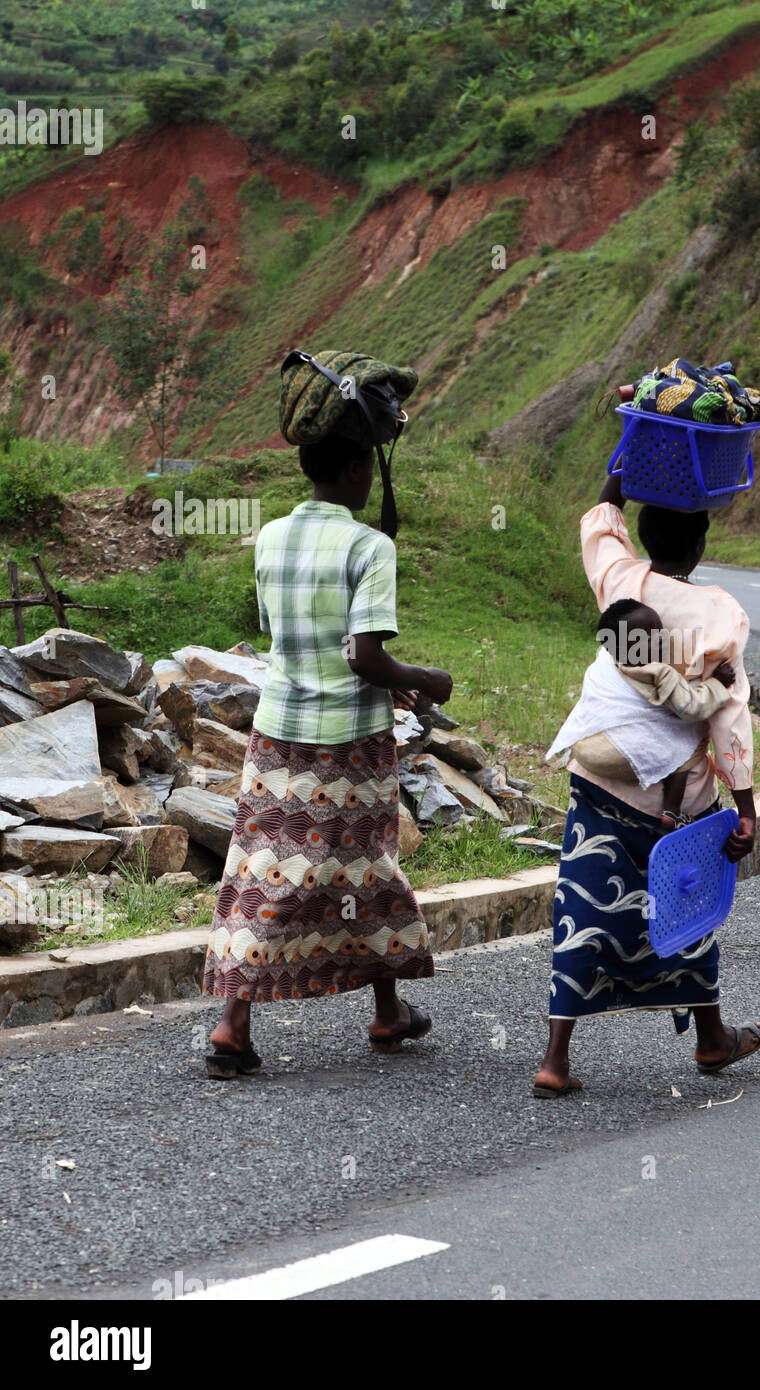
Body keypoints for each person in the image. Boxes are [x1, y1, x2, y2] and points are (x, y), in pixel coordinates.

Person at [201, 427, 452, 1078]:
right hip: (348, 741)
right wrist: (424, 680)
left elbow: (279, 634)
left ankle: (369, 1012)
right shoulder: (368, 546)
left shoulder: (271, 535)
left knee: (275, 867)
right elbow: (366, 659)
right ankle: (256, 1021)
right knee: (348, 869)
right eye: (367, 463)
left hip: (277, 729)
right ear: (352, 469)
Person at [532, 468, 760, 1098]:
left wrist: (626, 464)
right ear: (701, 542)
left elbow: (601, 520)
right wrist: (744, 808)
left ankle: (555, 1059)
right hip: (678, 796)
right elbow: (727, 716)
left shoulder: (618, 578)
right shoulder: (720, 614)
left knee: (582, 907)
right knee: (686, 907)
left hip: (598, 782)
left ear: (643, 532)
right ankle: (711, 1039)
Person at [547, 597, 737, 828]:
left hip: (585, 750)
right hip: (619, 754)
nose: (659, 638)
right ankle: (672, 811)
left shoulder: (608, 664)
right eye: (646, 637)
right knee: (690, 744)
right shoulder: (660, 673)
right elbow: (691, 708)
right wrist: (718, 684)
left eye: (659, 630)